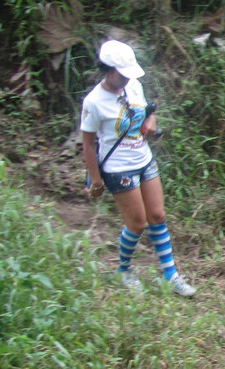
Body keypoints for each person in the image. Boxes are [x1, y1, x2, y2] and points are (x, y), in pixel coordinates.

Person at [80, 40, 196, 297]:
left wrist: (151, 121)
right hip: (118, 169)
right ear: (108, 70)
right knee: (137, 224)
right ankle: (123, 270)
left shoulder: (134, 85)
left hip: (144, 160)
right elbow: (88, 144)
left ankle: (171, 275)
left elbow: (145, 113)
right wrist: (96, 181)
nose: (126, 79)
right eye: (122, 74)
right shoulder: (93, 102)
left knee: (158, 216)